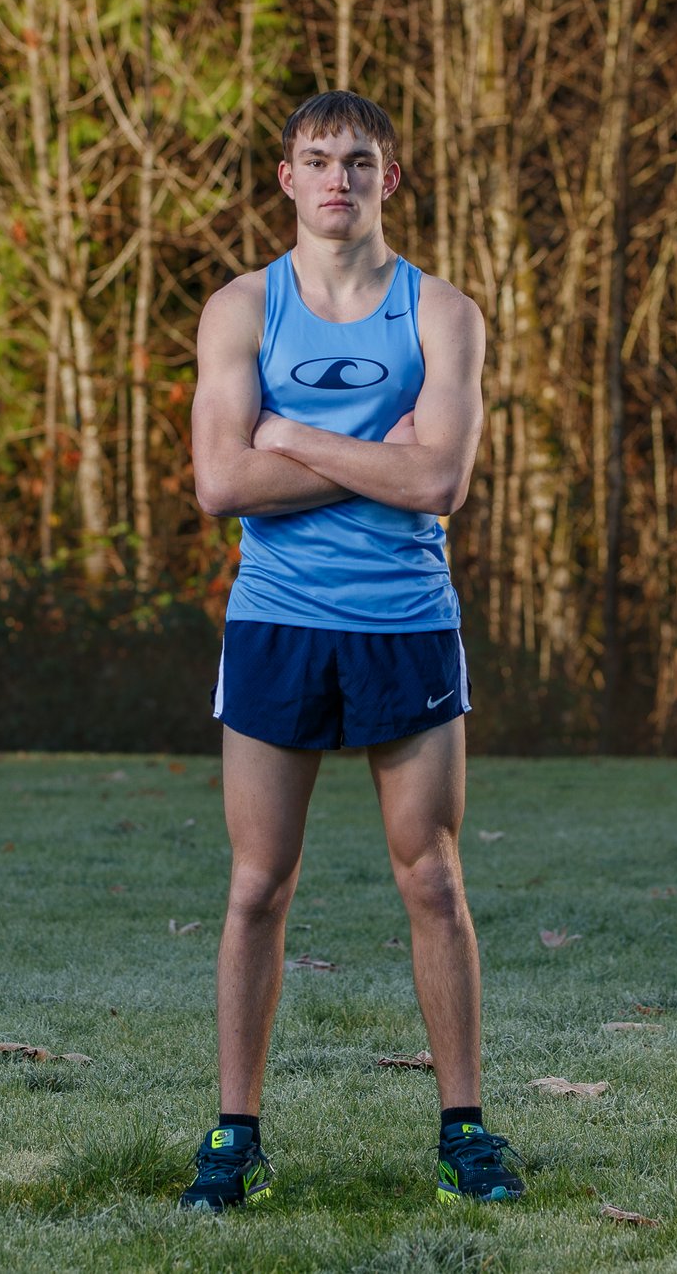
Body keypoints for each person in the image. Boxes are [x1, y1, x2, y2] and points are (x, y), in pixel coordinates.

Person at [177, 89, 524, 1211]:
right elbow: (222, 482)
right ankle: (234, 1136)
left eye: (358, 161)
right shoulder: (239, 311)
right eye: (317, 160)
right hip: (277, 621)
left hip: (405, 622)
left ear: (390, 179)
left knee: (430, 875)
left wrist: (292, 434)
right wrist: (374, 451)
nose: (337, 179)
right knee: (256, 884)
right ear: (285, 178)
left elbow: (440, 483)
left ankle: (464, 1132)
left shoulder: (444, 315)